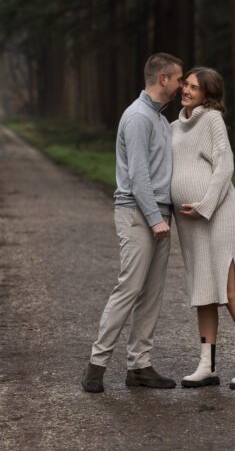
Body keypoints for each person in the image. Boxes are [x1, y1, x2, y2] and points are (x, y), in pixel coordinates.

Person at [81, 53, 183, 393]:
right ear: (163, 79)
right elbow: (138, 175)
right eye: (179, 78)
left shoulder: (158, 118)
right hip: (138, 215)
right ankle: (95, 368)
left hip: (160, 215)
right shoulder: (138, 117)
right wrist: (155, 219)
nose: (182, 85)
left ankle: (139, 366)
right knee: (128, 289)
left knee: (151, 294)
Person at [171, 67, 235, 389]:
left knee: (230, 290)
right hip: (190, 222)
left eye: (195, 88)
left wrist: (204, 206)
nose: (187, 90)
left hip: (220, 215)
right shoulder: (174, 127)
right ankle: (207, 365)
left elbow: (225, 165)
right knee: (203, 290)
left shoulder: (211, 120)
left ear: (208, 95)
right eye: (185, 84)